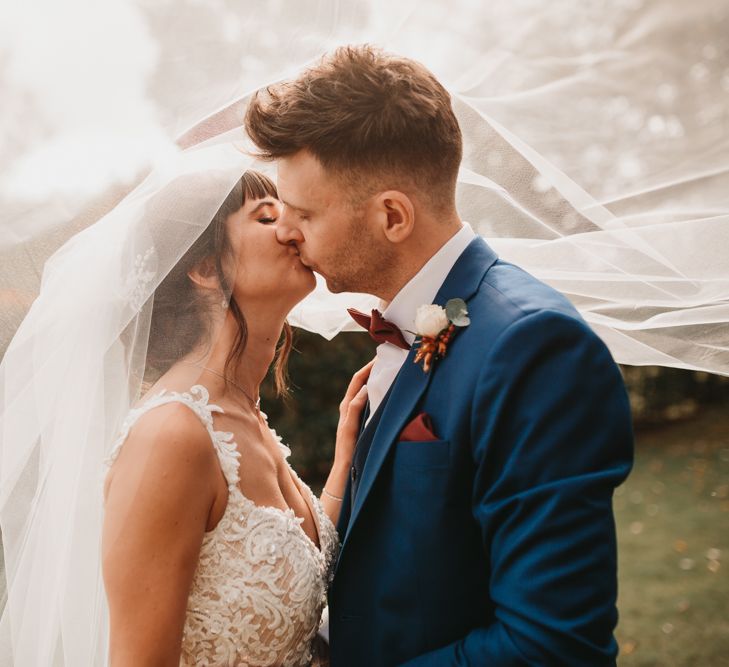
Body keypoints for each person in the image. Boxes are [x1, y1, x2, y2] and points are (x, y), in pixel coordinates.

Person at [245, 44, 635, 666]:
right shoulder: (401, 331)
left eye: (304, 213)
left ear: (392, 216)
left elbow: (552, 646)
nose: (287, 233)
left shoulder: (535, 349)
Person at [101, 169, 368, 665]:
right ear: (204, 270)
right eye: (267, 217)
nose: (293, 229)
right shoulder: (171, 435)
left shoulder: (245, 414)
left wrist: (344, 461)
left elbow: (293, 567)